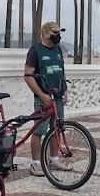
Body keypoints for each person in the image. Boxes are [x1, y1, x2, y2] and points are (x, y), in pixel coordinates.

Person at [24, 22, 72, 176]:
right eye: (54, 32)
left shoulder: (58, 49)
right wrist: (42, 95)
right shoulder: (35, 51)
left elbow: (61, 71)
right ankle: (36, 163)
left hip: (57, 96)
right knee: (39, 130)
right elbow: (28, 76)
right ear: (45, 33)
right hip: (42, 97)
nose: (57, 36)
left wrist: (65, 91)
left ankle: (54, 159)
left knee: (56, 128)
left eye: (59, 32)